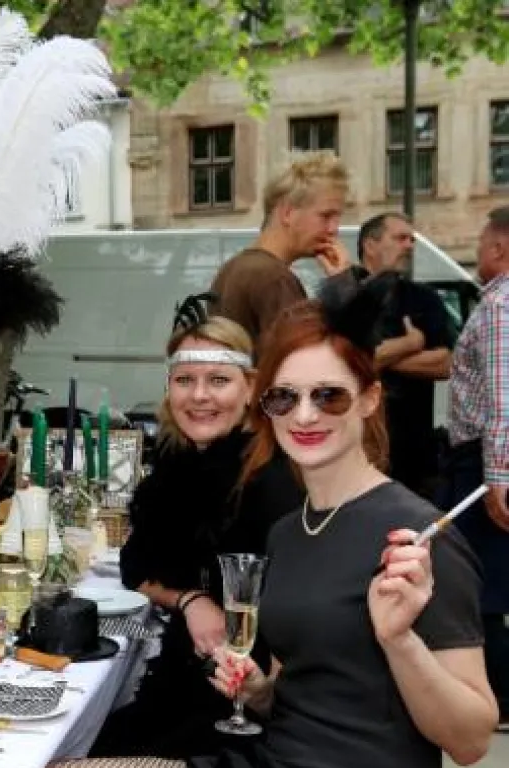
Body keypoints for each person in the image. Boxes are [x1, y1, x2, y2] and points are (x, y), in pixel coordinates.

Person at [0, 287, 496, 768]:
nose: (304, 415)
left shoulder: (413, 539)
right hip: (267, 767)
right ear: (268, 405)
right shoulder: (291, 530)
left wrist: (399, 640)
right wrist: (258, 692)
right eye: (286, 397)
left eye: (327, 395)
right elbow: (299, 684)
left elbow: (471, 739)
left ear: (369, 398)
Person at [94, 295, 301, 759]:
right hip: (183, 679)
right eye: (185, 380)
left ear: (250, 390)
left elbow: (303, 618)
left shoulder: (275, 480)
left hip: (253, 710)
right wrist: (191, 600)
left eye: (218, 381)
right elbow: (137, 565)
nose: (200, 395)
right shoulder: (174, 465)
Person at [446, 205, 509, 730]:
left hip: (483, 461)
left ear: (499, 248)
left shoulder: (500, 307)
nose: (479, 252)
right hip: (487, 459)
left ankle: (498, 697)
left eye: (483, 242)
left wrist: (498, 475)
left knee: (481, 582)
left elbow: (502, 397)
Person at [209, 151, 352, 349]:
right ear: (288, 213)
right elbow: (304, 362)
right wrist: (342, 287)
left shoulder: (231, 268)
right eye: (326, 216)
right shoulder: (274, 278)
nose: (333, 229)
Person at [358, 212, 454, 497]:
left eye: (411, 239)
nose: (410, 245)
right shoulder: (346, 297)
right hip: (358, 448)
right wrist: (410, 344)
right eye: (400, 238)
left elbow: (444, 363)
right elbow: (339, 363)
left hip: (414, 455)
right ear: (370, 245)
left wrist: (377, 358)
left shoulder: (423, 298)